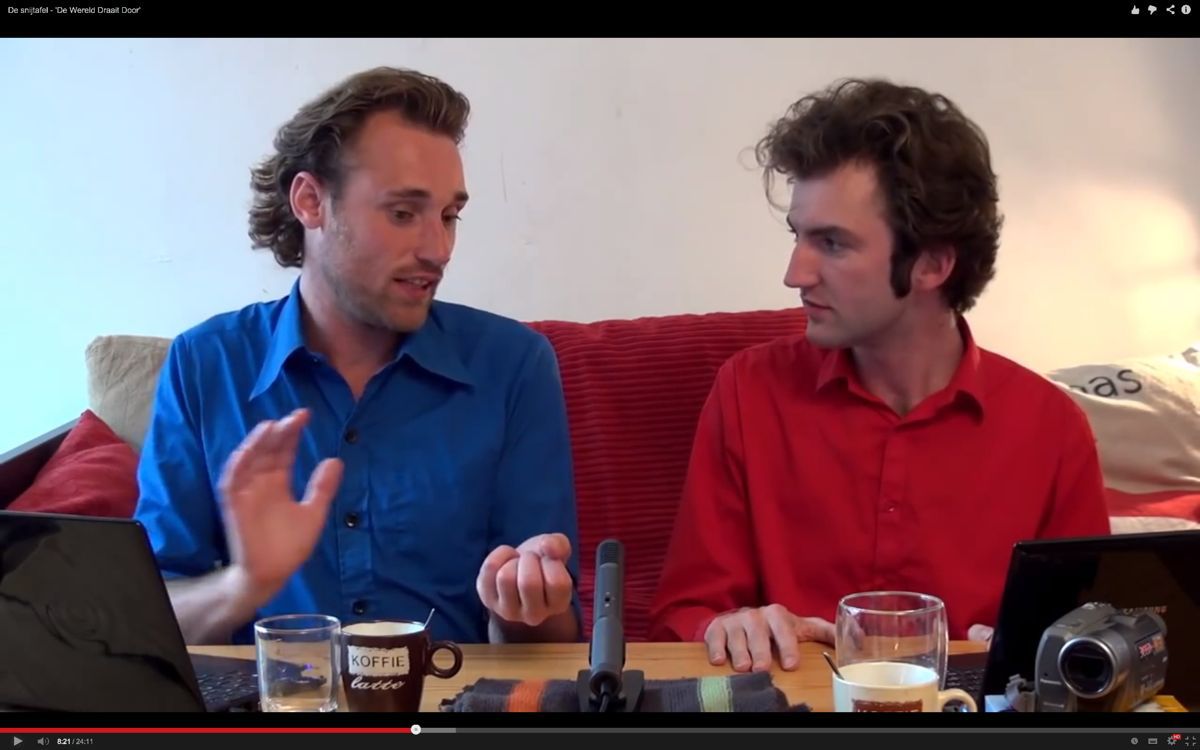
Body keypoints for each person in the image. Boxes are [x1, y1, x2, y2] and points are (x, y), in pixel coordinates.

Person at [647, 78, 1111, 672]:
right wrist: (725, 626)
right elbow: (683, 615)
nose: (794, 274)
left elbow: (1088, 641)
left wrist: (1038, 657)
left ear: (932, 264)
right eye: (798, 236)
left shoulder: (1051, 427)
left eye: (832, 244)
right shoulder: (748, 391)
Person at [133, 67, 581, 646]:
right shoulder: (204, 364)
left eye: (449, 216)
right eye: (403, 213)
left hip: (448, 693)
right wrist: (243, 584)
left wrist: (522, 605)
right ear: (310, 201)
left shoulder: (513, 365)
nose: (438, 249)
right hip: (279, 696)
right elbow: (143, 623)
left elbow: (552, 643)